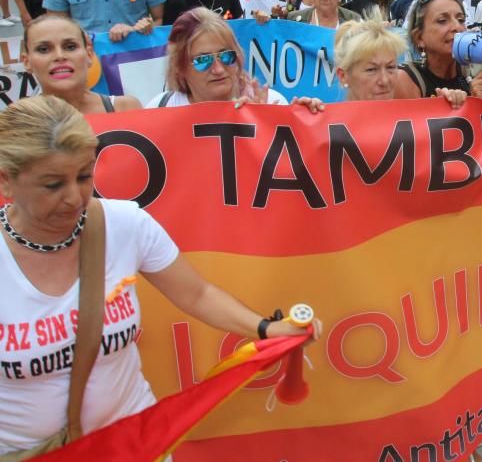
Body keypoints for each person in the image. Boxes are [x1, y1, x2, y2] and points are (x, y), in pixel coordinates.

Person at [0, 94, 320, 457]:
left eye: (84, 176)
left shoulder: (124, 224)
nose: (75, 197)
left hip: (137, 441)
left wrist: (267, 329)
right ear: (6, 181)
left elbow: (196, 294)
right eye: (52, 184)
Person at [147, 9, 323, 109]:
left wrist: (305, 120)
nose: (218, 69)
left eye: (226, 56)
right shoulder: (161, 108)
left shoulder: (271, 103)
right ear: (180, 67)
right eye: (203, 60)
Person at [20, 14, 143, 113]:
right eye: (43, 49)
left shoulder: (126, 108)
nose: (59, 56)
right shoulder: (16, 123)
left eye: (70, 46)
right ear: (27, 62)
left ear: (89, 55)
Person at [334, 18, 466, 108]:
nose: (384, 80)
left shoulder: (412, 120)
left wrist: (449, 111)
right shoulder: (325, 128)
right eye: (371, 70)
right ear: (343, 75)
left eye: (391, 67)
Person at [395, 0, 482, 100]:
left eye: (461, 20)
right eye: (442, 20)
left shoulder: (473, 75)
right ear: (419, 38)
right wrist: (471, 103)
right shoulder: (406, 79)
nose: (457, 27)